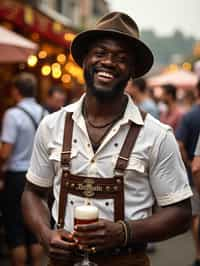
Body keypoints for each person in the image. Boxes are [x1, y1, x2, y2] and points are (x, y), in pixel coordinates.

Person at [21, 12, 192, 266]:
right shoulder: (51, 125)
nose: (109, 62)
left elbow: (181, 213)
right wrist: (46, 235)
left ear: (132, 71)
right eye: (100, 53)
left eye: (122, 58)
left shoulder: (156, 135)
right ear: (85, 60)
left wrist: (124, 232)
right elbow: (31, 193)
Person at [0, 72, 47, 266]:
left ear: (16, 91)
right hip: (38, 176)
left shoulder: (13, 115)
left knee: (16, 229)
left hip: (17, 176)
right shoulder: (45, 114)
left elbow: (5, 153)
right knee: (35, 229)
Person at [176, 80, 200, 266]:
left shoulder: (190, 115)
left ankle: (199, 254)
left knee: (197, 216)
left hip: (196, 176)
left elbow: (180, 144)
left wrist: (188, 161)